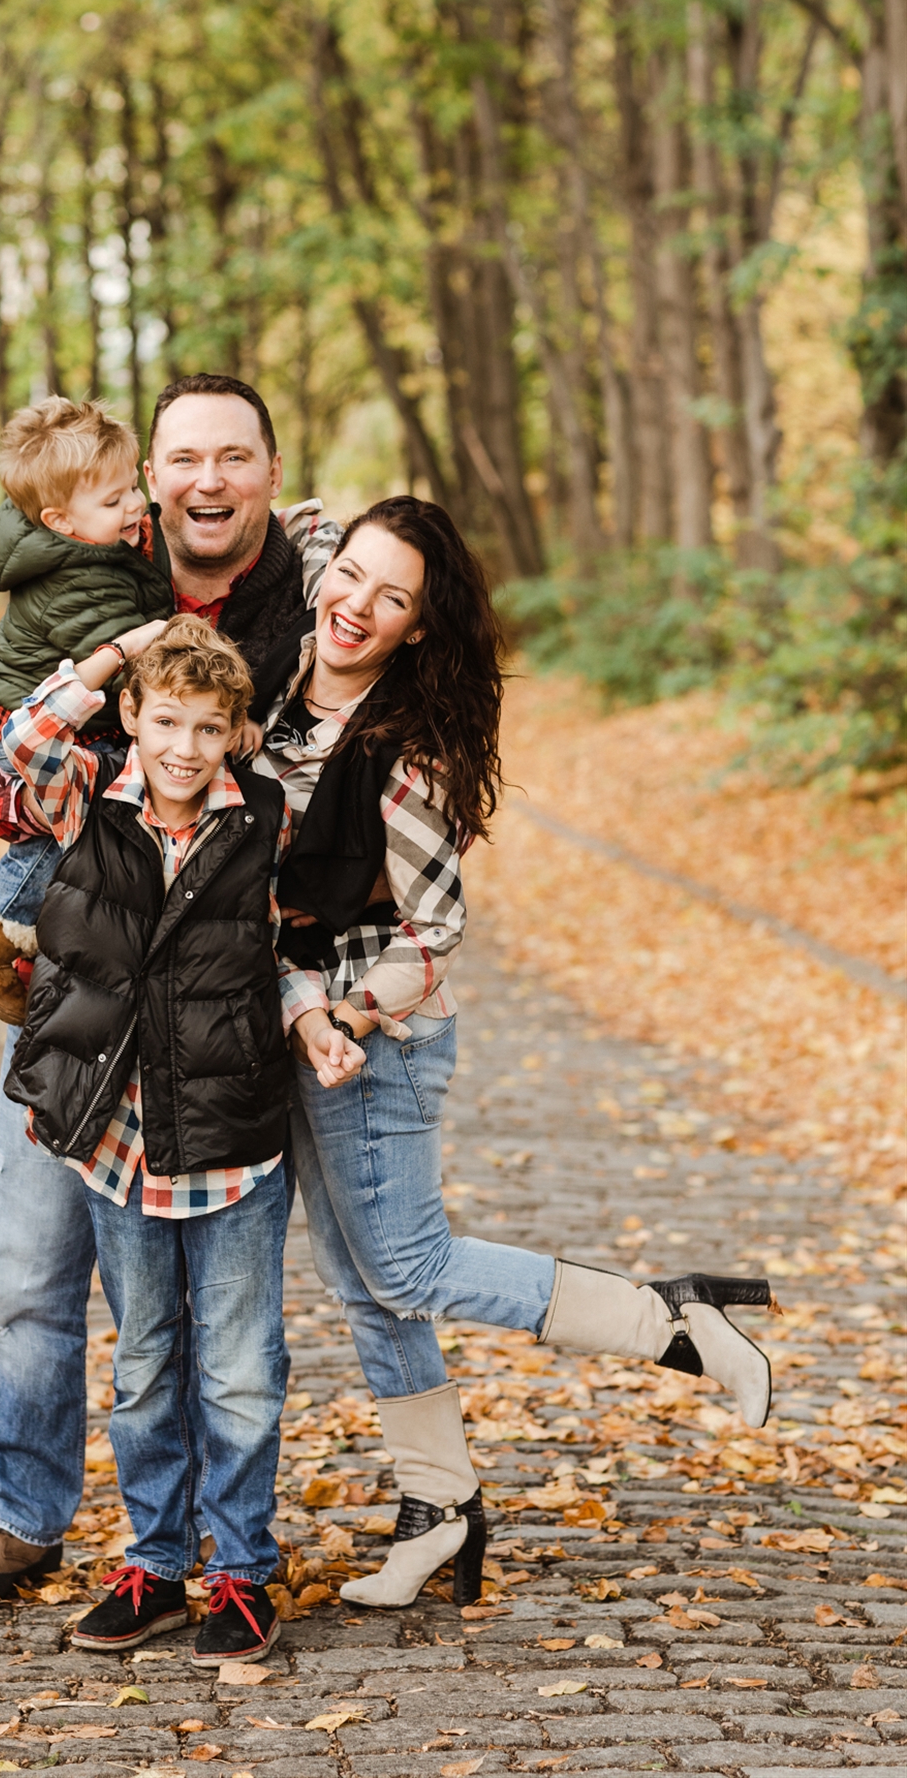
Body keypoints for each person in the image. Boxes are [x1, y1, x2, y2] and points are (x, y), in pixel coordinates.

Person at [251, 496, 777, 1612]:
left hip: (372, 1036)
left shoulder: (405, 757)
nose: (357, 605)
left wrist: (346, 1020)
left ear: (419, 631)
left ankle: (668, 1319)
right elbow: (300, 526)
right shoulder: (284, 666)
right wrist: (310, 531)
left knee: (408, 1268)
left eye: (392, 599)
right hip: (288, 1021)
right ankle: (440, 1509)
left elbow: (433, 935)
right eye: (350, 577)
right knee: (362, 1288)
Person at [0, 376, 341, 1603]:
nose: (207, 479)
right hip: (77, 991)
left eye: (233, 457)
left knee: (216, 1327)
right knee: (30, 1273)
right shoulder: (99, 571)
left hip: (217, 1009)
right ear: (150, 484)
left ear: (269, 470)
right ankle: (20, 1510)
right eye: (183, 460)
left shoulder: (304, 608)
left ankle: (217, 1549)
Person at [0, 616, 295, 1664]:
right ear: (132, 718)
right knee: (147, 1367)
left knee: (240, 1370)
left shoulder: (262, 816)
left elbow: (292, 940)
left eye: (208, 728)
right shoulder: (88, 800)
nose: (182, 747)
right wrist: (125, 650)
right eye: (165, 721)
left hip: (231, 1136)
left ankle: (244, 1575)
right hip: (115, 1140)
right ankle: (155, 1565)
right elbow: (24, 737)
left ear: (233, 736)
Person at [0, 396, 172, 1025]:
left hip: (29, 715)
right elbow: (136, 662)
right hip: (13, 730)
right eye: (114, 500)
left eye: (132, 488)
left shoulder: (76, 544)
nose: (134, 507)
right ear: (60, 520)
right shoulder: (79, 581)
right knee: (81, 808)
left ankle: (14, 938)